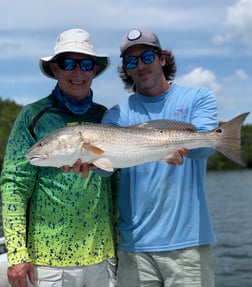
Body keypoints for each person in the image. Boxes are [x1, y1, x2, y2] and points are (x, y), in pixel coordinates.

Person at [99, 28, 217, 287]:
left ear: (162, 58)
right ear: (126, 70)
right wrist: (85, 158)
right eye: (131, 61)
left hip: (189, 246)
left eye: (147, 57)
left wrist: (182, 145)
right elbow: (104, 170)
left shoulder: (199, 97)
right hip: (134, 248)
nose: (140, 65)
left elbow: (205, 149)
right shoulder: (117, 114)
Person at [0, 28, 118, 287]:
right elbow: (13, 188)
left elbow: (116, 184)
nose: (78, 72)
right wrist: (18, 253)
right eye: (68, 63)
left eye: (86, 64)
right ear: (55, 69)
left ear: (94, 70)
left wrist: (118, 242)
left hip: (102, 254)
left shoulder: (106, 117)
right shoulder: (32, 116)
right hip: (49, 260)